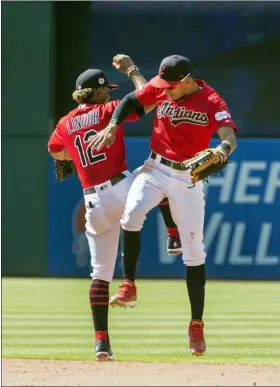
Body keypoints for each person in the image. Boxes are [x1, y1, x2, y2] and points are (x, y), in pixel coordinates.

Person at [89, 54, 238, 356]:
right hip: (155, 168)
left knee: (194, 251)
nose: (164, 90)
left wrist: (222, 150)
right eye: (162, 84)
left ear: (186, 81)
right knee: (131, 216)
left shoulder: (211, 100)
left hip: (188, 178)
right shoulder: (160, 87)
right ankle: (128, 284)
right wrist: (113, 125)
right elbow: (130, 99)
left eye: (171, 85)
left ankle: (196, 323)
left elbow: (228, 135)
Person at [47, 54, 181, 361]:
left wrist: (71, 154)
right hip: (119, 186)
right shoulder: (108, 110)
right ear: (95, 92)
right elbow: (148, 98)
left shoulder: (65, 122)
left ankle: (101, 344)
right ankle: (173, 233)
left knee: (99, 275)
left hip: (93, 200)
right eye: (106, 88)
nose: (109, 92)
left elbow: (55, 151)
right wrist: (134, 71)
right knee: (155, 177)